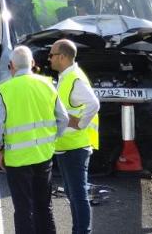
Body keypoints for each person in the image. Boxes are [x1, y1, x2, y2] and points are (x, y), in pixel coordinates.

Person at [0, 45, 69, 234]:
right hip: (43, 156)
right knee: (44, 207)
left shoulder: (5, 89)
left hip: (17, 160)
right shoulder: (48, 84)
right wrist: (51, 139)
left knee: (23, 210)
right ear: (33, 63)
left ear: (11, 66)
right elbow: (63, 119)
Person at [49, 39, 100, 234]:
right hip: (66, 146)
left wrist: (78, 122)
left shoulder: (74, 79)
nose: (49, 58)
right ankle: (78, 230)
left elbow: (94, 104)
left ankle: (82, 231)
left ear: (62, 57)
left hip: (75, 147)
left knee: (78, 195)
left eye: (52, 55)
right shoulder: (66, 77)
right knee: (73, 193)